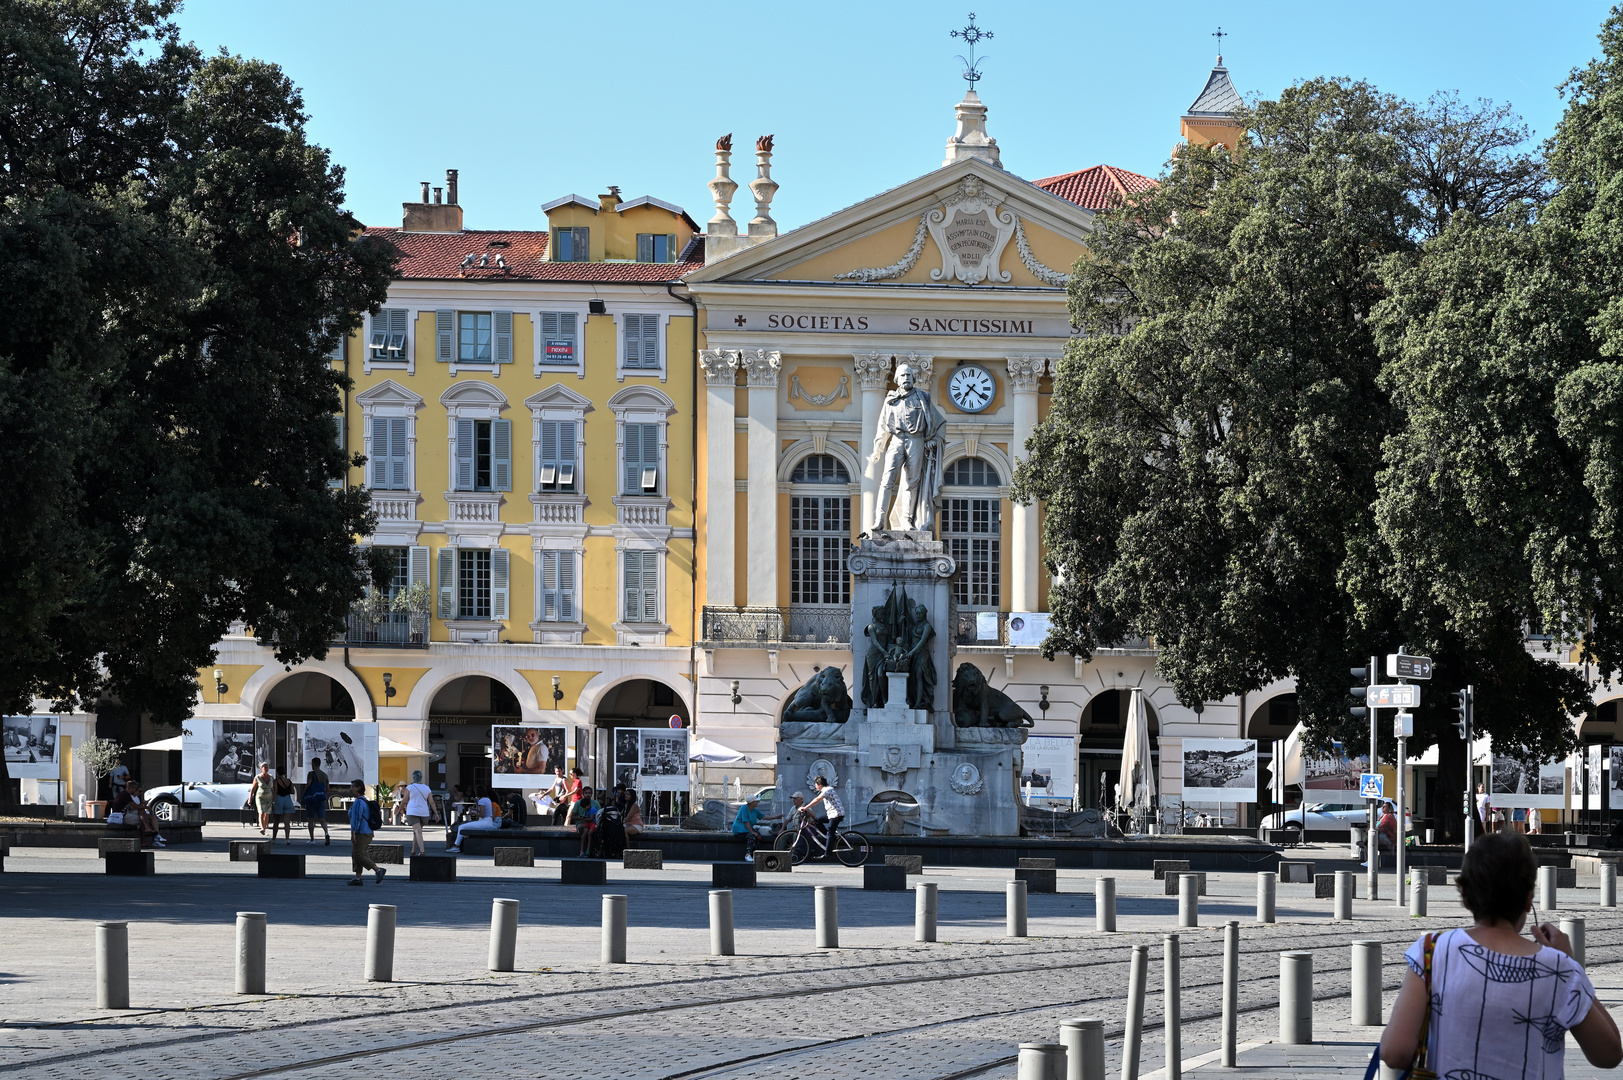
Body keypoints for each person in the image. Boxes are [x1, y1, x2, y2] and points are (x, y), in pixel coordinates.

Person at [1379, 831, 1620, 1075]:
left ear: (1465, 897)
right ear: (1528, 900)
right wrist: (1572, 966)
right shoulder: (1559, 968)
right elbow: (1609, 1054)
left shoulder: (1431, 951)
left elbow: (1395, 1052)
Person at [346, 779, 386, 886]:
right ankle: (358, 878)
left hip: (362, 833)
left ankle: (378, 870)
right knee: (356, 854)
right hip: (365, 832)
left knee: (358, 854)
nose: (350, 789)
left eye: (352, 787)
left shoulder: (359, 802)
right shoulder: (363, 800)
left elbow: (356, 819)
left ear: (358, 788)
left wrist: (353, 833)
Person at [445, 787, 502, 853]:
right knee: (465, 826)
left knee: (461, 827)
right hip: (488, 822)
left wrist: (473, 813)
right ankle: (456, 846)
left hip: (483, 822)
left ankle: (456, 846)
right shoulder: (488, 800)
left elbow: (482, 815)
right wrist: (476, 810)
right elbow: (486, 812)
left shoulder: (481, 801)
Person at [108, 781, 164, 848]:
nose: (135, 790)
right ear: (131, 788)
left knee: (145, 817)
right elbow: (135, 807)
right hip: (121, 817)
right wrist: (147, 807)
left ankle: (148, 835)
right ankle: (148, 835)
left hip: (124, 815)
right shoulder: (125, 795)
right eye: (135, 789)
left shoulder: (125, 794)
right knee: (143, 818)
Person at [801, 776, 843, 859]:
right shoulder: (826, 790)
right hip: (831, 814)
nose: (815, 786)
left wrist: (806, 808)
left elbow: (817, 800)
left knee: (830, 832)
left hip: (836, 814)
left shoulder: (828, 789)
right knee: (817, 820)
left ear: (819, 784)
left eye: (815, 784)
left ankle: (827, 853)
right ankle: (830, 838)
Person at [402, 770, 438, 856]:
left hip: (412, 812)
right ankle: (413, 850)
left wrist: (399, 810)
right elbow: (431, 802)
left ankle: (422, 851)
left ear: (413, 777)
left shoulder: (410, 787)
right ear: (421, 778)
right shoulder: (426, 788)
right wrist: (436, 814)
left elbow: (404, 800)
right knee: (416, 831)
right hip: (424, 813)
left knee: (417, 832)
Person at [303, 757, 331, 845]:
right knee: (322, 819)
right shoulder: (325, 775)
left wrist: (304, 795)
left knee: (311, 819)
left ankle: (312, 839)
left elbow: (308, 785)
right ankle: (326, 833)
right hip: (322, 798)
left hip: (312, 798)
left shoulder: (311, 774)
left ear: (313, 764)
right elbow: (327, 789)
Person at [568, 785, 600, 856]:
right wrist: (580, 818)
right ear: (583, 794)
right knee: (585, 830)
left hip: (592, 824)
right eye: (586, 793)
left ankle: (585, 850)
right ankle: (584, 850)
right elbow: (572, 817)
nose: (588, 795)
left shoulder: (595, 804)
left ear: (591, 794)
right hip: (582, 823)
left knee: (587, 831)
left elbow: (599, 815)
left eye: (589, 793)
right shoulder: (577, 803)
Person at [270, 769, 297, 844]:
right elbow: (292, 791)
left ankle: (274, 839)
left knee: (276, 821)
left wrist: (273, 802)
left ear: (277, 773)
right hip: (287, 800)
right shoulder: (289, 781)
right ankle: (287, 839)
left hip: (279, 799)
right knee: (287, 822)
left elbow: (275, 792)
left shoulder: (276, 781)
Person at [248, 761, 273, 835]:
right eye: (264, 767)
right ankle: (262, 828)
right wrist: (250, 798)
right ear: (261, 769)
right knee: (261, 812)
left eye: (267, 767)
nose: (266, 768)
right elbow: (253, 789)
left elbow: (273, 788)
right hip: (260, 797)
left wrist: (274, 798)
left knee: (267, 814)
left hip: (269, 797)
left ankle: (264, 829)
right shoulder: (258, 777)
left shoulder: (271, 777)